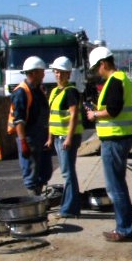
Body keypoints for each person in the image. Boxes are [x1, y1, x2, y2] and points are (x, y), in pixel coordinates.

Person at [85, 46, 132, 242]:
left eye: (96, 68)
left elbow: (114, 110)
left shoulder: (115, 81)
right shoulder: (123, 79)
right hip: (122, 136)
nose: (96, 73)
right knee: (118, 185)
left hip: (115, 138)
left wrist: (94, 114)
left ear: (103, 64)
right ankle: (126, 227)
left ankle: (124, 229)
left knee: (115, 187)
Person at [7, 56, 52, 196]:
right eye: (41, 71)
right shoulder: (22, 92)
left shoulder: (38, 90)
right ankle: (34, 202)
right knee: (31, 173)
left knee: (45, 171)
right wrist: (23, 142)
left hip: (41, 137)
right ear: (33, 73)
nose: (44, 74)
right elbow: (19, 120)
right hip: (29, 137)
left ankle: (38, 194)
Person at [46, 56, 83, 218]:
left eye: (62, 72)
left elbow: (74, 116)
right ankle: (69, 206)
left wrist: (68, 138)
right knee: (66, 172)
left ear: (68, 74)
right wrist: (50, 137)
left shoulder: (71, 92)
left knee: (68, 174)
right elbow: (52, 117)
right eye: (56, 72)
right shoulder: (55, 92)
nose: (58, 75)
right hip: (59, 137)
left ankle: (70, 209)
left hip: (68, 138)